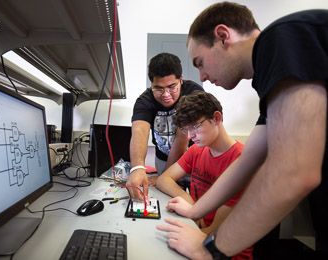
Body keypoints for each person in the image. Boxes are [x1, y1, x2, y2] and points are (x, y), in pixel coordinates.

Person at [156, 2, 328, 260]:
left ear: (223, 36)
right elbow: (248, 160)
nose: (201, 77)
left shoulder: (282, 37)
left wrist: (210, 249)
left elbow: (295, 172)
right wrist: (195, 211)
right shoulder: (269, 83)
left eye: (200, 62)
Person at [156, 91, 252, 260]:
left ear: (216, 118)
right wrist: (193, 206)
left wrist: (193, 213)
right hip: (197, 229)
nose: (191, 136)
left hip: (224, 249)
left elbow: (214, 231)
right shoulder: (197, 150)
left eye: (196, 126)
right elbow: (164, 179)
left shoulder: (240, 161)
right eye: (187, 129)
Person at [126, 53, 204, 200]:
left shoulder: (193, 94)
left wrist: (164, 178)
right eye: (159, 88)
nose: (166, 94)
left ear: (181, 80)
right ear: (151, 84)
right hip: (163, 158)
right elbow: (139, 131)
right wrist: (137, 168)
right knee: (166, 200)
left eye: (171, 87)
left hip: (194, 158)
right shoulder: (144, 100)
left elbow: (182, 137)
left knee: (197, 201)